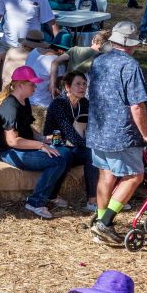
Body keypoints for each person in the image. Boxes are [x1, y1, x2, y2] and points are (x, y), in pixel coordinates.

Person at [88, 21, 147, 245]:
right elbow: (137, 106)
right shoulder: (130, 66)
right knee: (134, 176)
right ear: (131, 45)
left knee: (106, 175)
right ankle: (105, 223)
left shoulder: (98, 61)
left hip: (98, 129)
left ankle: (101, 224)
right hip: (121, 133)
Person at [0, 65, 72, 219]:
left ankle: (51, 194)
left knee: (66, 153)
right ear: (20, 85)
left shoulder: (24, 101)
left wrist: (42, 138)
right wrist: (40, 146)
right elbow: (12, 141)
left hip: (24, 146)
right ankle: (35, 202)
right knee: (57, 161)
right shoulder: (10, 106)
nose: (35, 87)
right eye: (32, 84)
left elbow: (27, 127)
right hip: (9, 152)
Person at [43, 71, 97, 211]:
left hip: (76, 144)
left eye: (84, 84)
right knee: (66, 156)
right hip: (57, 143)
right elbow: (69, 132)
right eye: (78, 84)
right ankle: (51, 195)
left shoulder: (84, 103)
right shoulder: (59, 104)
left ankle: (92, 201)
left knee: (93, 155)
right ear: (67, 87)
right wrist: (90, 144)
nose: (82, 87)